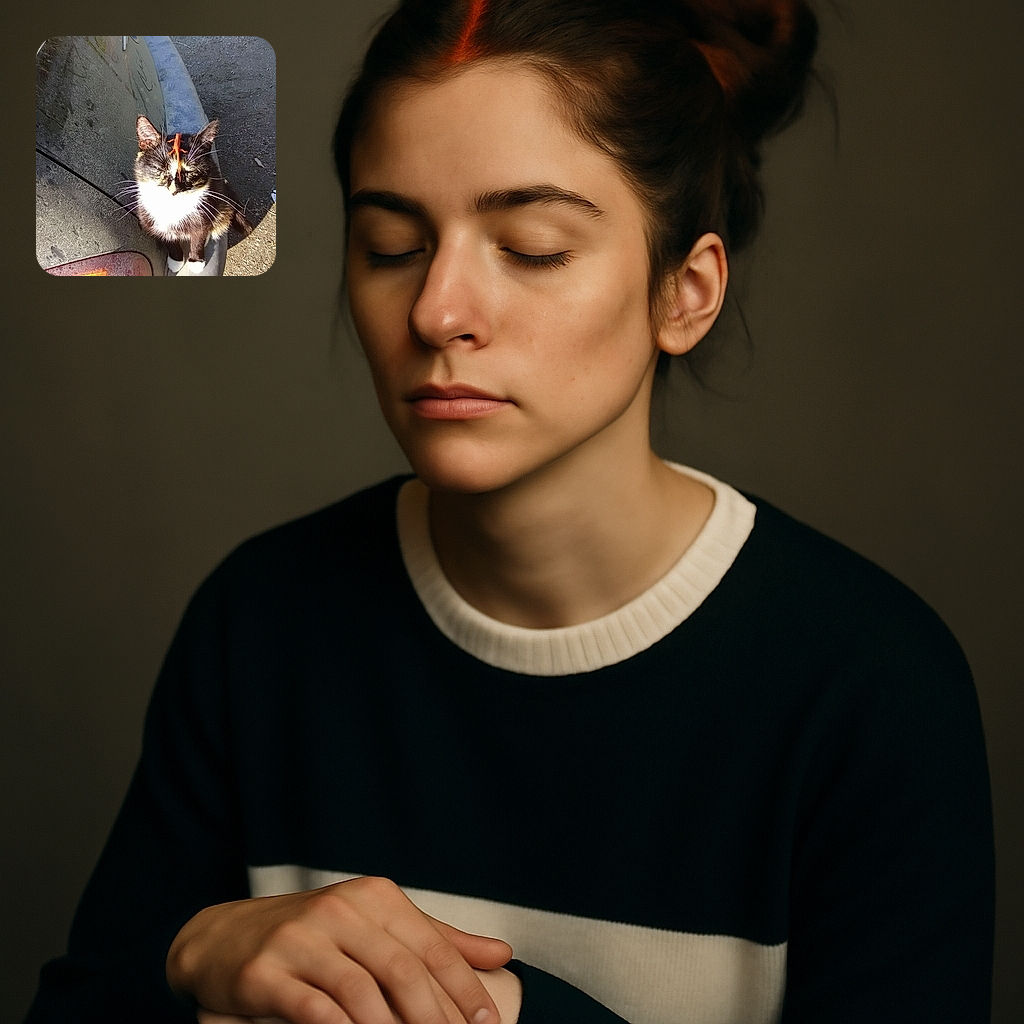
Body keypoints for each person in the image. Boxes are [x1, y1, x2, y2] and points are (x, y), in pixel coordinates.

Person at [26, 1, 994, 1022]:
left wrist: (490, 1008)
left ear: (685, 291)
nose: (439, 311)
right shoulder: (260, 624)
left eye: (532, 247)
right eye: (393, 245)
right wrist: (194, 947)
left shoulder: (870, 687)